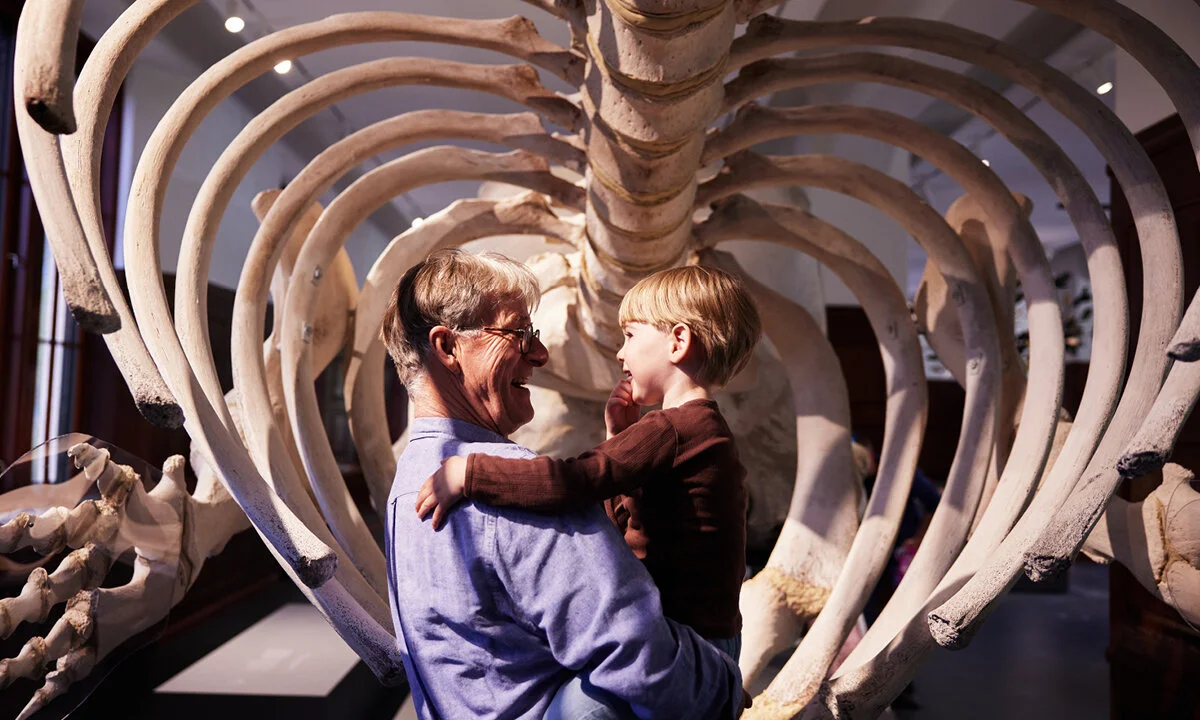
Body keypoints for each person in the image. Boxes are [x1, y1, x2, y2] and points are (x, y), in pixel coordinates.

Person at [381, 249, 744, 720]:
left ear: (679, 342)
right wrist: (723, 688)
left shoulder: (408, 483)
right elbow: (643, 660)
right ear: (448, 348)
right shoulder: (506, 485)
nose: (541, 353)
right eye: (518, 333)